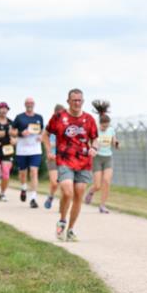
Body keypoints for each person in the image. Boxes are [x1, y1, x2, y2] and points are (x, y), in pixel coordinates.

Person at [45, 90, 98, 241]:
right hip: (64, 160)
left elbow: (95, 138)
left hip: (84, 162)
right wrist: (49, 151)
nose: (77, 103)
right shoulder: (59, 117)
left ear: (83, 101)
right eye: (74, 100)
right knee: (68, 192)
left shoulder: (89, 119)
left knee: (79, 194)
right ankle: (62, 221)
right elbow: (45, 134)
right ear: (68, 101)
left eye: (79, 100)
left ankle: (71, 230)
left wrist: (94, 148)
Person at [85, 100, 118, 214]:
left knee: (107, 181)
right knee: (98, 185)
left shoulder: (111, 130)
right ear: (100, 124)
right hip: (97, 158)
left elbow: (114, 141)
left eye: (107, 126)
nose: (105, 128)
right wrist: (92, 148)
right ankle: (91, 191)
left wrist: (116, 143)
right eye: (103, 126)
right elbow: (89, 143)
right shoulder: (95, 130)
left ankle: (103, 205)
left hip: (108, 157)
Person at [12, 97, 45, 208]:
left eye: (31, 103)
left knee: (34, 172)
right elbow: (12, 131)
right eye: (27, 103)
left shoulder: (39, 117)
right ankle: (23, 188)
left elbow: (42, 131)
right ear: (25, 104)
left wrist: (41, 136)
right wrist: (21, 133)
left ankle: (33, 198)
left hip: (35, 149)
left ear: (34, 104)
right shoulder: (19, 117)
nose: (29, 104)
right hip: (22, 149)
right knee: (23, 173)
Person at [43, 104, 65, 209]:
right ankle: (51, 196)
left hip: (65, 158)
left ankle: (62, 205)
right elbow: (45, 139)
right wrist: (48, 151)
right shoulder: (50, 126)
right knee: (55, 182)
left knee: (64, 183)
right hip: (52, 157)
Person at [0, 102, 15, 201]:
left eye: (5, 108)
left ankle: (2, 193)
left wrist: (15, 140)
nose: (3, 110)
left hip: (7, 149)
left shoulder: (11, 122)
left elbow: (16, 135)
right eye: (1, 108)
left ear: (7, 110)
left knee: (6, 173)